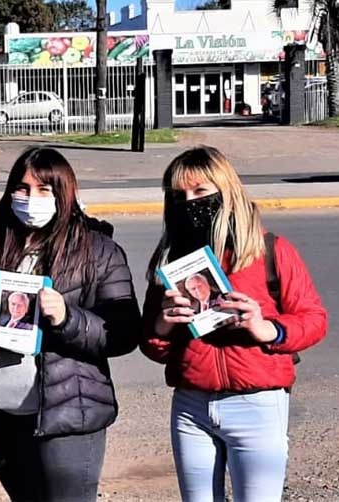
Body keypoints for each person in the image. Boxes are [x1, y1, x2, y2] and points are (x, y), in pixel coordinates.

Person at [140, 146, 328, 502]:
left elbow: (314, 320)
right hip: (191, 407)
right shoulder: (171, 265)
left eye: (201, 191)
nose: (189, 202)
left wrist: (267, 328)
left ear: (227, 194)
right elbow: (152, 347)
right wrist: (162, 327)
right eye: (179, 195)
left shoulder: (270, 251)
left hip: (257, 404)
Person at [0, 147, 142, 502]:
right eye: (22, 189)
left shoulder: (98, 250)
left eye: (44, 190)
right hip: (3, 414)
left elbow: (123, 333)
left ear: (64, 193)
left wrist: (67, 318)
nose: (31, 199)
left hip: (69, 416)